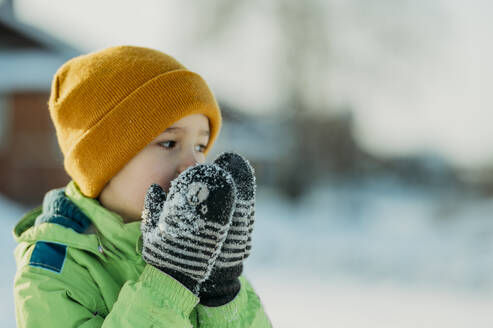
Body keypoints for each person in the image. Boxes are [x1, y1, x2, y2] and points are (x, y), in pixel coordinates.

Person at [12, 45, 272, 327]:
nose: (194, 165)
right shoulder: (51, 267)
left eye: (200, 145)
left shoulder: (198, 248)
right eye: (169, 143)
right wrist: (170, 280)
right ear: (104, 161)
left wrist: (222, 291)